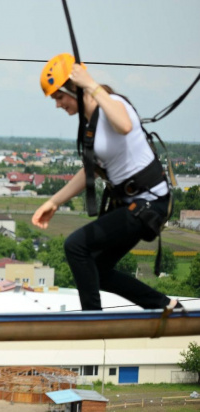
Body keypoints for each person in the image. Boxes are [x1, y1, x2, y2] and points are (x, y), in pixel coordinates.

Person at [31, 53, 180, 311]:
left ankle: (92, 318)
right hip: (134, 205)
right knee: (97, 268)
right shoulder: (90, 124)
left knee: (76, 245)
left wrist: (90, 83)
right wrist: (53, 202)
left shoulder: (113, 104)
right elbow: (92, 171)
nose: (58, 105)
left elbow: (123, 125)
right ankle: (164, 304)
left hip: (150, 203)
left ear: (74, 89)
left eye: (59, 97)